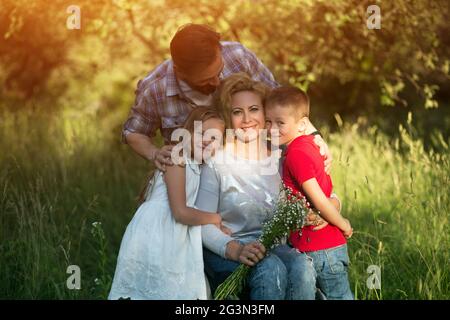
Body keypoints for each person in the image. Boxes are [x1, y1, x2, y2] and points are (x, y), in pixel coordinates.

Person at [195, 73, 341, 299]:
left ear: (266, 114)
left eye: (254, 109)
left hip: (276, 247)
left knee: (302, 266)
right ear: (227, 116)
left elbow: (327, 192)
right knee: (270, 268)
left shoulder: (283, 154)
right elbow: (201, 224)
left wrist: (328, 207)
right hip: (231, 251)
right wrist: (236, 250)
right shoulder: (217, 162)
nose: (247, 119)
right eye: (237, 112)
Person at [122, 23, 281, 172]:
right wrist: (154, 153)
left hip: (256, 159)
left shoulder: (239, 56)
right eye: (205, 80)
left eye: (219, 71)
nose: (217, 82)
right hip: (195, 173)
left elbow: (276, 99)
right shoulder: (155, 89)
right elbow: (134, 132)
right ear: (180, 72)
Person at [109, 107, 226, 300]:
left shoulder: (197, 166)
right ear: (187, 133)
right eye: (202, 133)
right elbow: (180, 212)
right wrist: (215, 218)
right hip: (157, 235)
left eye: (214, 138)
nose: (207, 140)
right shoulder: (177, 157)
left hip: (173, 236)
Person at [265, 86, 354, 300]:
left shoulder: (296, 155)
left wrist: (343, 224)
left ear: (302, 124)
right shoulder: (309, 145)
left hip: (321, 247)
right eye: (268, 121)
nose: (272, 129)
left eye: (280, 122)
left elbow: (320, 200)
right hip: (321, 245)